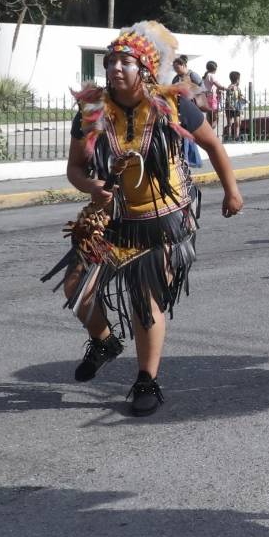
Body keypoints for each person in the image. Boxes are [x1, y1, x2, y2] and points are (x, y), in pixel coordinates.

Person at [44, 21, 243, 417]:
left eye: (125, 61)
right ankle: (103, 342)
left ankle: (146, 380)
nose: (115, 68)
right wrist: (92, 187)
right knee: (75, 287)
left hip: (165, 219)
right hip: (113, 219)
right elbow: (76, 169)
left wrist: (232, 191)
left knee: (144, 299)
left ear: (146, 70)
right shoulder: (91, 111)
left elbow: (212, 144)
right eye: (111, 61)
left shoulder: (172, 105)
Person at [171, 56, 204, 168]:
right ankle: (188, 159)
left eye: (177, 67)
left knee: (188, 135)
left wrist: (191, 92)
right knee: (185, 135)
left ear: (184, 65)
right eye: (174, 68)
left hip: (192, 108)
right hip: (181, 109)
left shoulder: (193, 75)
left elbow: (202, 88)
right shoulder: (176, 78)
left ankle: (188, 159)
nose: (176, 69)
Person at [223, 71, 246, 143]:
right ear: (237, 79)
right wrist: (230, 105)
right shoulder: (230, 87)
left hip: (236, 107)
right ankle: (230, 137)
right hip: (230, 108)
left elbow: (240, 96)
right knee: (230, 123)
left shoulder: (238, 88)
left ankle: (236, 137)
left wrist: (244, 99)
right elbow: (228, 97)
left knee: (237, 123)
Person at [201, 61, 224, 128]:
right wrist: (225, 88)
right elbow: (218, 85)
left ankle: (208, 132)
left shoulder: (206, 75)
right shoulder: (211, 75)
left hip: (207, 97)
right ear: (215, 68)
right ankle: (210, 131)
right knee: (215, 118)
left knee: (210, 117)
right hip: (212, 98)